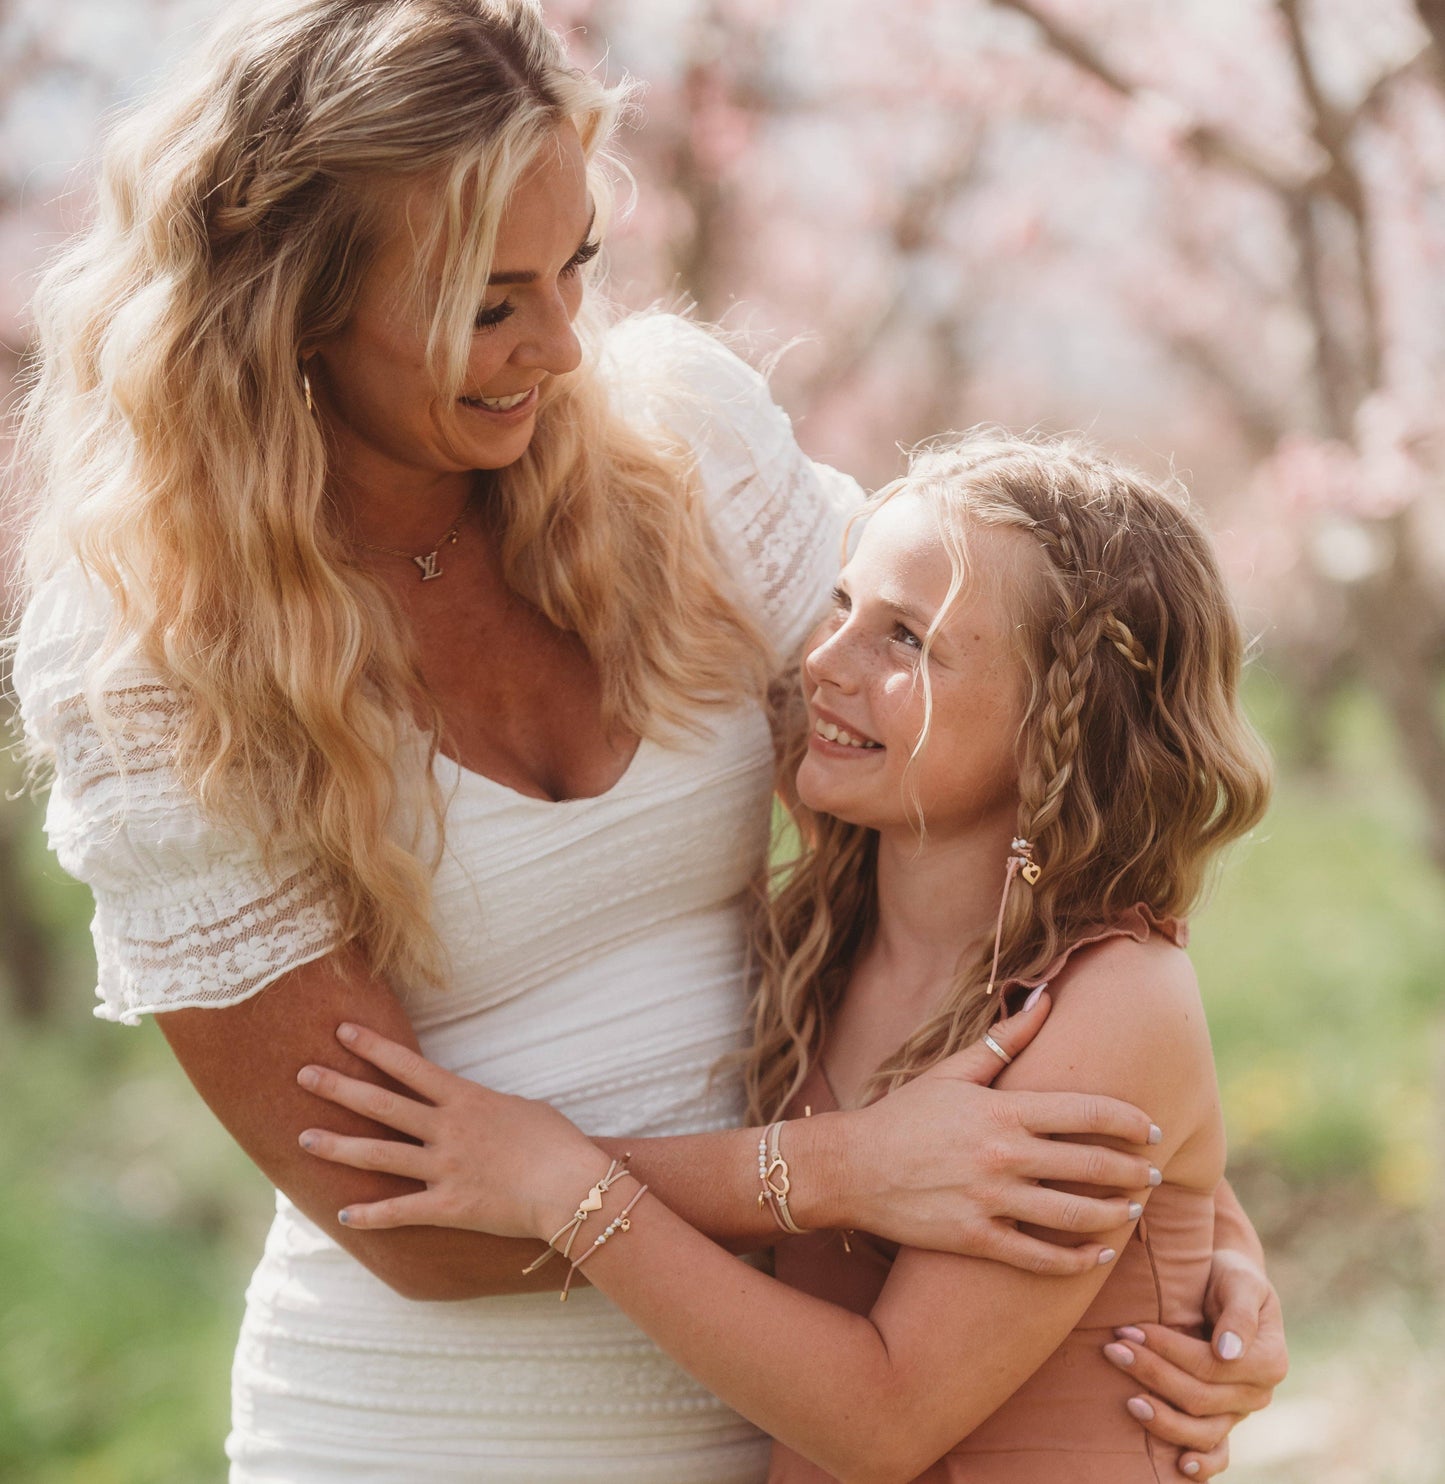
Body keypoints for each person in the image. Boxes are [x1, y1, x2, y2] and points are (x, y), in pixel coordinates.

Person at [8, 2, 1284, 1479]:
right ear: (297, 307)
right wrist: (838, 1171)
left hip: (793, 1398)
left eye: (577, 270)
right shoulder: (160, 661)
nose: (559, 346)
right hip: (428, 1427)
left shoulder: (682, 448)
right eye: (490, 304)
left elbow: (1003, 763)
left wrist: (1183, 1213)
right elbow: (400, 1213)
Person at [296, 432, 1278, 1481]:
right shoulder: (830, 926)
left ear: (1058, 729)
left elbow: (881, 1418)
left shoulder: (1112, 993)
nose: (821, 660)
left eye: (904, 639)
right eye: (842, 604)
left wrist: (564, 1182)